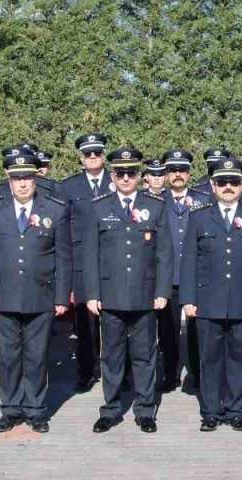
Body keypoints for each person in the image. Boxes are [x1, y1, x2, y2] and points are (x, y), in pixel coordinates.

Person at [0, 151, 71, 433]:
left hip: (40, 296)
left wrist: (61, 297)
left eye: (27, 177)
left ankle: (35, 409)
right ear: (8, 180)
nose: (22, 184)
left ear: (35, 178)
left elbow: (63, 258)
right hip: (3, 295)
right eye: (16, 178)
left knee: (36, 355)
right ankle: (10, 408)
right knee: (7, 356)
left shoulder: (54, 210)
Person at [82, 147, 173, 434]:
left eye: (130, 172)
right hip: (110, 296)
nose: (125, 178)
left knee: (145, 354)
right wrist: (92, 294)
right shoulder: (99, 207)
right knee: (111, 355)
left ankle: (145, 410)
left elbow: (164, 254)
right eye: (120, 173)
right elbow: (90, 255)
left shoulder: (156, 206)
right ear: (112, 175)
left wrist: (162, 291)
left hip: (145, 295)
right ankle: (110, 410)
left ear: (139, 176)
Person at [182, 158, 242, 431]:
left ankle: (235, 410)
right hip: (208, 301)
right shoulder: (199, 216)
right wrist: (188, 299)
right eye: (223, 182)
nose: (229, 187)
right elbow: (189, 262)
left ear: (241, 185)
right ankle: (210, 411)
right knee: (209, 359)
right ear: (213, 185)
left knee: (240, 358)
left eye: (234, 182)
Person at [58, 132, 111, 392]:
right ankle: (86, 371)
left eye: (97, 153)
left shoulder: (117, 181)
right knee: (85, 323)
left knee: (114, 321)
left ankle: (117, 372)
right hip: (80, 263)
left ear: (103, 156)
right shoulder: (68, 187)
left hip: (112, 263)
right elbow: (63, 230)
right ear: (81, 158)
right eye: (88, 154)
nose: (93, 157)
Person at [158, 149, 213, 392]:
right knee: (167, 331)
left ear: (189, 173)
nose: (178, 175)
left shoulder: (204, 199)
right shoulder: (156, 202)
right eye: (173, 171)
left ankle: (196, 374)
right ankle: (170, 374)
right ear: (166, 174)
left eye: (182, 170)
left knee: (197, 331)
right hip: (167, 277)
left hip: (195, 276)